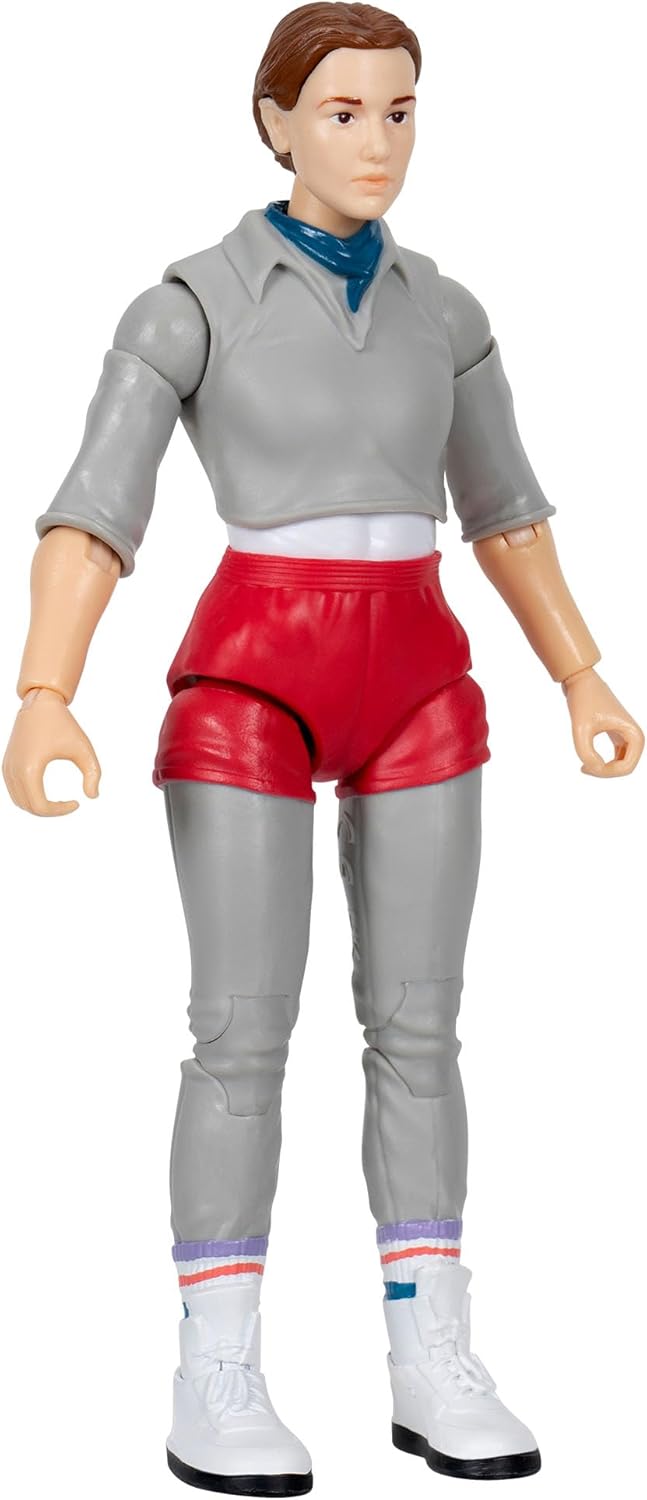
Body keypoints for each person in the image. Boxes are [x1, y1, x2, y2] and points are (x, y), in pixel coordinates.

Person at [3, 3, 643, 1493]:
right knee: (242, 1032)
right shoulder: (192, 302)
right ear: (276, 121)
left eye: (402, 110)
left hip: (419, 674)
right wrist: (45, 689)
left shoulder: (445, 312)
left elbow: (508, 513)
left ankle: (432, 1349)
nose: (378, 141)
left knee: (421, 1028)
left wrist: (583, 673)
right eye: (344, 111)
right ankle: (215, 1363)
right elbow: (94, 511)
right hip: (255, 673)